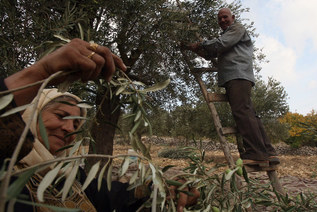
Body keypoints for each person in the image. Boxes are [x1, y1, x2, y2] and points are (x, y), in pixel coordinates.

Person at [0, 39, 199, 211]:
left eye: (77, 125)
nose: (70, 129)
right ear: (32, 114)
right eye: (61, 115)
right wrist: (43, 70)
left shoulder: (71, 177)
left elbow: (111, 198)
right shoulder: (8, 172)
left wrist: (158, 188)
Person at [182, 8, 279, 166]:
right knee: (249, 113)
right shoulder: (228, 35)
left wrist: (201, 43)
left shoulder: (237, 29)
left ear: (232, 17)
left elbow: (220, 44)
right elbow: (212, 52)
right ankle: (268, 152)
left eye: (225, 17)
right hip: (237, 77)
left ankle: (256, 152)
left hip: (238, 75)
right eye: (219, 19)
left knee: (242, 112)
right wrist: (196, 49)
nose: (222, 21)